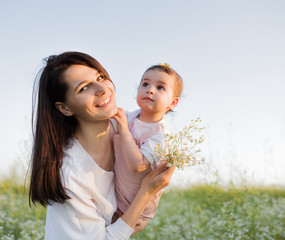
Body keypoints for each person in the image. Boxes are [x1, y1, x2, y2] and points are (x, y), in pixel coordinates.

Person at [28, 51, 175, 239]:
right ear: (65, 108)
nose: (102, 89)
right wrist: (145, 194)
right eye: (83, 88)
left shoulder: (128, 123)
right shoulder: (70, 175)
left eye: (100, 77)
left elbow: (158, 132)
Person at [112, 64, 183, 233]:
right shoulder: (130, 117)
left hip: (136, 209)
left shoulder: (162, 135)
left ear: (172, 102)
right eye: (145, 84)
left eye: (160, 87)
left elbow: (138, 165)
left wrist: (123, 129)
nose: (150, 90)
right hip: (116, 196)